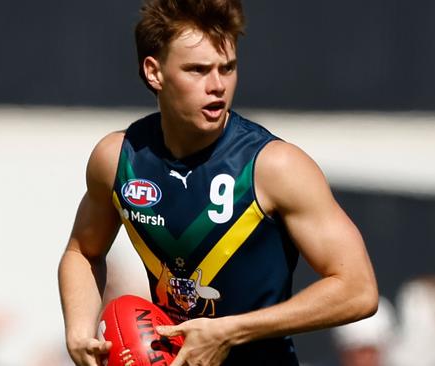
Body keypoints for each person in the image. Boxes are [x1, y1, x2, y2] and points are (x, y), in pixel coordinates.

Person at [58, 0, 378, 365]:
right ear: (154, 72)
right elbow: (82, 252)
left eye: (227, 69)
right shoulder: (117, 159)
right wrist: (79, 331)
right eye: (198, 70)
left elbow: (358, 289)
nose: (217, 86)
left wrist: (230, 330)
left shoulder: (274, 166)